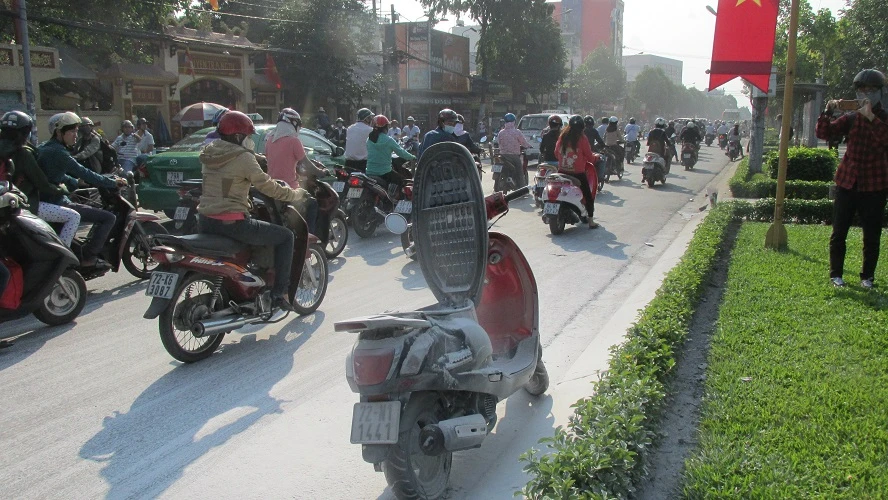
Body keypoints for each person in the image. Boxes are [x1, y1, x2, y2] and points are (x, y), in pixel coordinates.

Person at [197, 111, 309, 312]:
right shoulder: (243, 158)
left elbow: (226, 183)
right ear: (238, 137)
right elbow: (267, 186)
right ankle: (280, 293)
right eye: (248, 136)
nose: (249, 140)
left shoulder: (210, 153)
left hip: (206, 220)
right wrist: (294, 194)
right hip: (232, 223)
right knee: (286, 236)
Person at [816, 68, 888, 289]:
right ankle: (836, 274)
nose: (866, 94)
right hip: (847, 181)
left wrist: (871, 117)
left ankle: (867, 277)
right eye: (862, 90)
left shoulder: (884, 118)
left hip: (875, 184)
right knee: (839, 232)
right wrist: (828, 111)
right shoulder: (851, 118)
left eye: (871, 90)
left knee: (872, 234)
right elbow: (824, 133)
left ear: (880, 92)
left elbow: (885, 139)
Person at [38, 112, 126, 267]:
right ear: (59, 132)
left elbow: (54, 174)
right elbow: (84, 172)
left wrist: (75, 181)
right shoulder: (59, 152)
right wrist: (113, 183)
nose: (76, 135)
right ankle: (88, 256)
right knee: (108, 218)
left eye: (77, 131)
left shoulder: (46, 147)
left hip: (52, 199)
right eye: (72, 131)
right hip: (55, 201)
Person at [0, 111, 81, 247]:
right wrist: (63, 189)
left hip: (5, 205)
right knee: (74, 216)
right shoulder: (24, 153)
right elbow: (43, 184)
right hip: (24, 205)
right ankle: (64, 256)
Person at [265, 108, 328, 234]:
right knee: (312, 204)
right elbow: (307, 164)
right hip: (289, 188)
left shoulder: (269, 140)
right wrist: (321, 172)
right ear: (293, 123)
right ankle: (309, 237)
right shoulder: (294, 141)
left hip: (271, 187)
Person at [555, 115, 598, 229]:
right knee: (588, 196)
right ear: (582, 127)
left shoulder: (563, 136)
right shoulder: (582, 138)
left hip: (561, 172)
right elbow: (589, 157)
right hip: (577, 174)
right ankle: (591, 221)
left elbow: (556, 153)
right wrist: (596, 158)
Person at [366, 114, 415, 194]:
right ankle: (398, 201)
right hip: (384, 172)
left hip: (369, 172)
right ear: (385, 127)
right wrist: (413, 157)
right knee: (403, 182)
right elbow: (401, 152)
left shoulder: (369, 139)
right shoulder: (388, 140)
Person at [495, 112, 531, 178]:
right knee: (520, 171)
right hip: (514, 156)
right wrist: (528, 146)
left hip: (503, 155)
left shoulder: (501, 132)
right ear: (514, 122)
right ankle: (521, 184)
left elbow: (498, 142)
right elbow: (523, 142)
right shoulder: (517, 132)